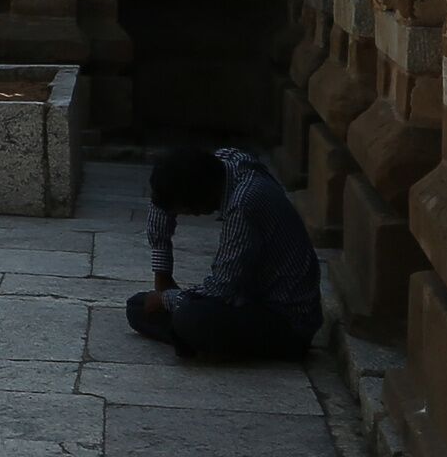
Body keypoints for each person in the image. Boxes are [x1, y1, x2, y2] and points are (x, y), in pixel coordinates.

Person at [128, 142, 322, 363]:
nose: (193, 215)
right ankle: (192, 336)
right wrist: (162, 274)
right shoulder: (228, 161)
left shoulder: (244, 205)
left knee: (187, 316)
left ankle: (194, 336)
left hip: (286, 322)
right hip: (246, 301)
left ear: (198, 199)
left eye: (188, 210)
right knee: (136, 307)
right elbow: (160, 203)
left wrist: (167, 298)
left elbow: (220, 290)